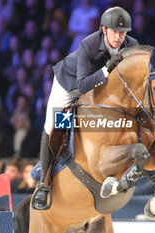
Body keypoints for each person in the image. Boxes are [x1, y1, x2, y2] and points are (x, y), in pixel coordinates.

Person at [32, 6, 138, 210]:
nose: (119, 36)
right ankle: (43, 185)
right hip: (70, 86)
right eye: (114, 31)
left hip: (101, 86)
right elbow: (82, 85)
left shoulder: (131, 45)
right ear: (103, 29)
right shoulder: (87, 45)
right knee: (53, 125)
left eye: (123, 32)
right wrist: (108, 68)